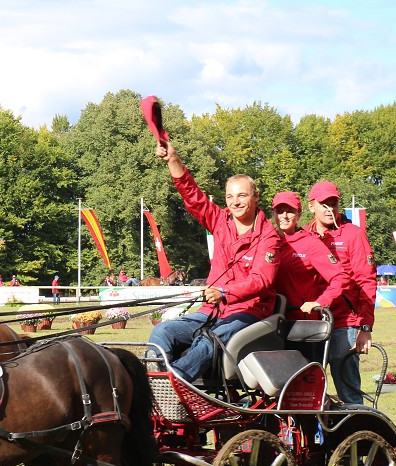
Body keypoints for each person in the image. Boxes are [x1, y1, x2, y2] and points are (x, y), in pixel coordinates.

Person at [147, 138, 280, 381]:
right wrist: (173, 159)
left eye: (242, 196)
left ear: (255, 197)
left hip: (248, 312)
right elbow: (192, 196)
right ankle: (153, 382)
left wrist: (224, 291)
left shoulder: (269, 236)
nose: (235, 202)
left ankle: (172, 386)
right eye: (230, 197)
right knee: (163, 331)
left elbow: (262, 280)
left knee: (210, 339)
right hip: (211, 310)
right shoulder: (220, 221)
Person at [303, 181, 377, 404]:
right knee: (306, 393)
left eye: (333, 204)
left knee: (349, 392)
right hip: (311, 322)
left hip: (345, 324)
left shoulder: (354, 235)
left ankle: (358, 437)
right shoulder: (304, 235)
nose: (329, 209)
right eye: (324, 204)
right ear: (311, 206)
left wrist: (365, 327)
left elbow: (367, 281)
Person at [270, 190, 350, 358]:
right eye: (279, 211)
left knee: (303, 380)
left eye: (290, 211)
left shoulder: (310, 243)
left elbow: (340, 277)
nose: (284, 216)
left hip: (301, 326)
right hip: (269, 323)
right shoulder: (267, 241)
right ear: (273, 214)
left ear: (299, 214)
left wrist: (320, 302)